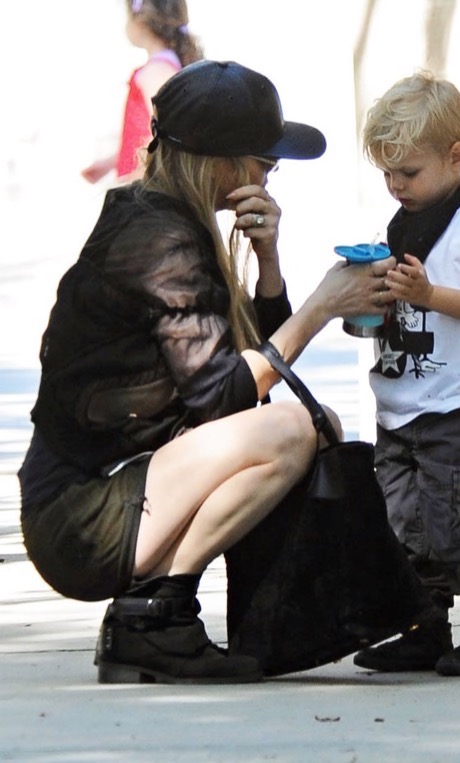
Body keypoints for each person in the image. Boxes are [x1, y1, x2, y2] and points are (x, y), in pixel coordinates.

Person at [18, 59, 401, 685]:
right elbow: (224, 397)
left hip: (121, 493)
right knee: (294, 430)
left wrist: (269, 262)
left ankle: (160, 617)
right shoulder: (158, 243)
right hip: (81, 517)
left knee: (315, 426)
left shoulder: (166, 221)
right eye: (264, 162)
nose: (269, 177)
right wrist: (322, 308)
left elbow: (245, 369)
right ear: (221, 164)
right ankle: (153, 615)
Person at [352, 71, 460, 677]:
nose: (396, 185)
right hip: (399, 412)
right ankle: (424, 629)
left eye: (408, 172)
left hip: (458, 411)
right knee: (405, 532)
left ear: (456, 156)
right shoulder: (400, 224)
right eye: (386, 173)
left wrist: (428, 294)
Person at [81, 0, 204, 185]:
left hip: (145, 188)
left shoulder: (157, 71)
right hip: (141, 186)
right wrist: (111, 163)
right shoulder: (160, 67)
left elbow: (166, 130)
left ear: (140, 21)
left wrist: (136, 177)